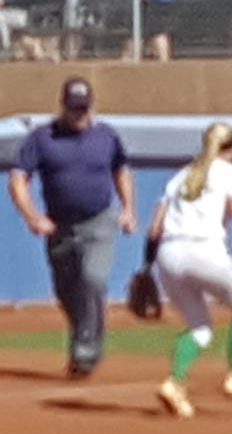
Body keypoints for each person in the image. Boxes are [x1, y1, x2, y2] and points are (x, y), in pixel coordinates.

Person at [145, 122, 232, 419]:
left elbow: (155, 227)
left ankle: (175, 383)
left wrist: (145, 270)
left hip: (169, 256)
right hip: (206, 250)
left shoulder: (182, 176)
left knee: (200, 328)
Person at [7, 77, 136, 378]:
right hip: (59, 227)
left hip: (99, 220)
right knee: (66, 292)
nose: (79, 115)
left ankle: (86, 350)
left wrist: (128, 209)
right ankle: (85, 336)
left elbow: (121, 170)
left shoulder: (106, 136)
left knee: (93, 279)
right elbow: (18, 180)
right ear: (63, 106)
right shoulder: (43, 138)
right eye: (74, 109)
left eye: (84, 108)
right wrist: (32, 217)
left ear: (91, 106)